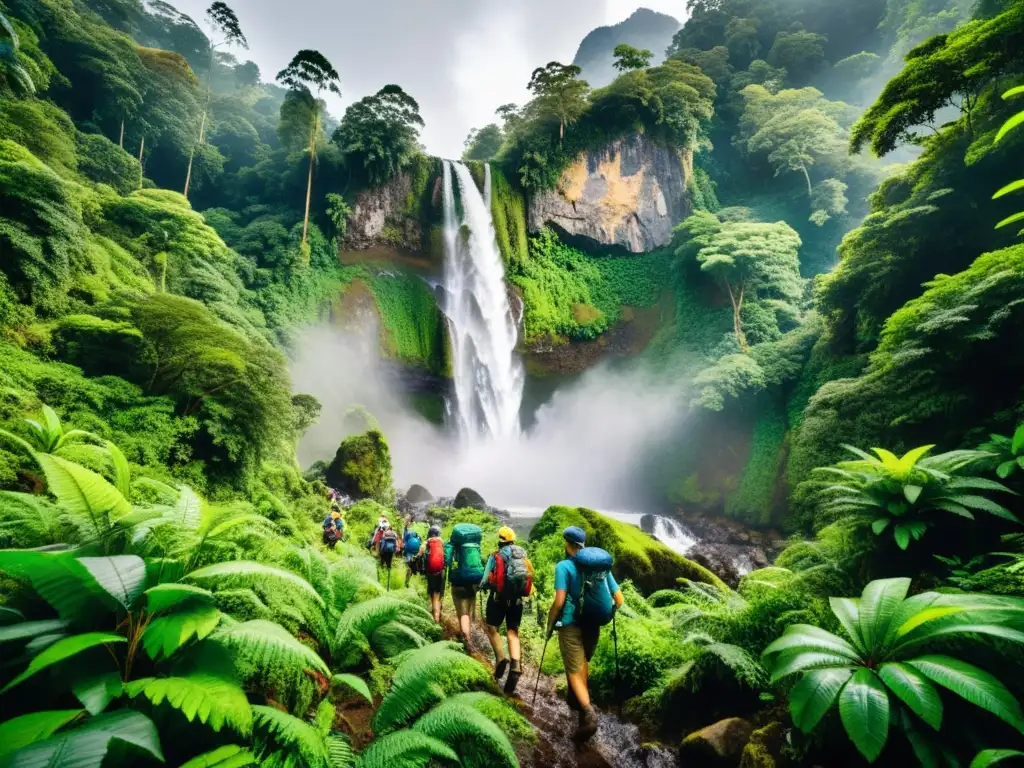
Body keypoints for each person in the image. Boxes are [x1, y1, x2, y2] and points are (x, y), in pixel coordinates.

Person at [546, 526, 624, 743]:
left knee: (572, 669)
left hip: (571, 624)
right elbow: (619, 600)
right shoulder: (600, 567)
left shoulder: (563, 566)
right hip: (593, 625)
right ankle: (580, 704)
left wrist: (551, 622)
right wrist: (606, 613)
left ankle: (588, 714)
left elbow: (559, 602)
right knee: (583, 663)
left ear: (567, 544)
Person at [479, 526, 533, 695]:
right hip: (517, 601)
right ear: (513, 540)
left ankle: (501, 658)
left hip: (498, 599)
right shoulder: (522, 555)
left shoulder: (495, 556)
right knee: (513, 632)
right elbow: (529, 579)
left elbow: (484, 578)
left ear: (500, 540)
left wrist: (482, 586)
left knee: (492, 628)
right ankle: (516, 665)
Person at [445, 522, 485, 650]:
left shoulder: (454, 544)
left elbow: (447, 560)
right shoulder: (476, 545)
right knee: (470, 606)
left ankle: (467, 641)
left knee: (463, 613)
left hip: (460, 580)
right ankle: (472, 633)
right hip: (475, 578)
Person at [423, 524, 446, 623]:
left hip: (430, 572)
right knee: (437, 594)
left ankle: (433, 618)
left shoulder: (427, 542)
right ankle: (437, 617)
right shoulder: (442, 542)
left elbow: (421, 553)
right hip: (440, 572)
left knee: (431, 593)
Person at [403, 519, 423, 588]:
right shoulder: (418, 536)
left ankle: (406, 583)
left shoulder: (408, 533)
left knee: (408, 567)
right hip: (416, 554)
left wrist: (404, 553)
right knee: (415, 568)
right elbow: (420, 545)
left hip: (409, 553)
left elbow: (405, 545)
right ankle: (415, 584)